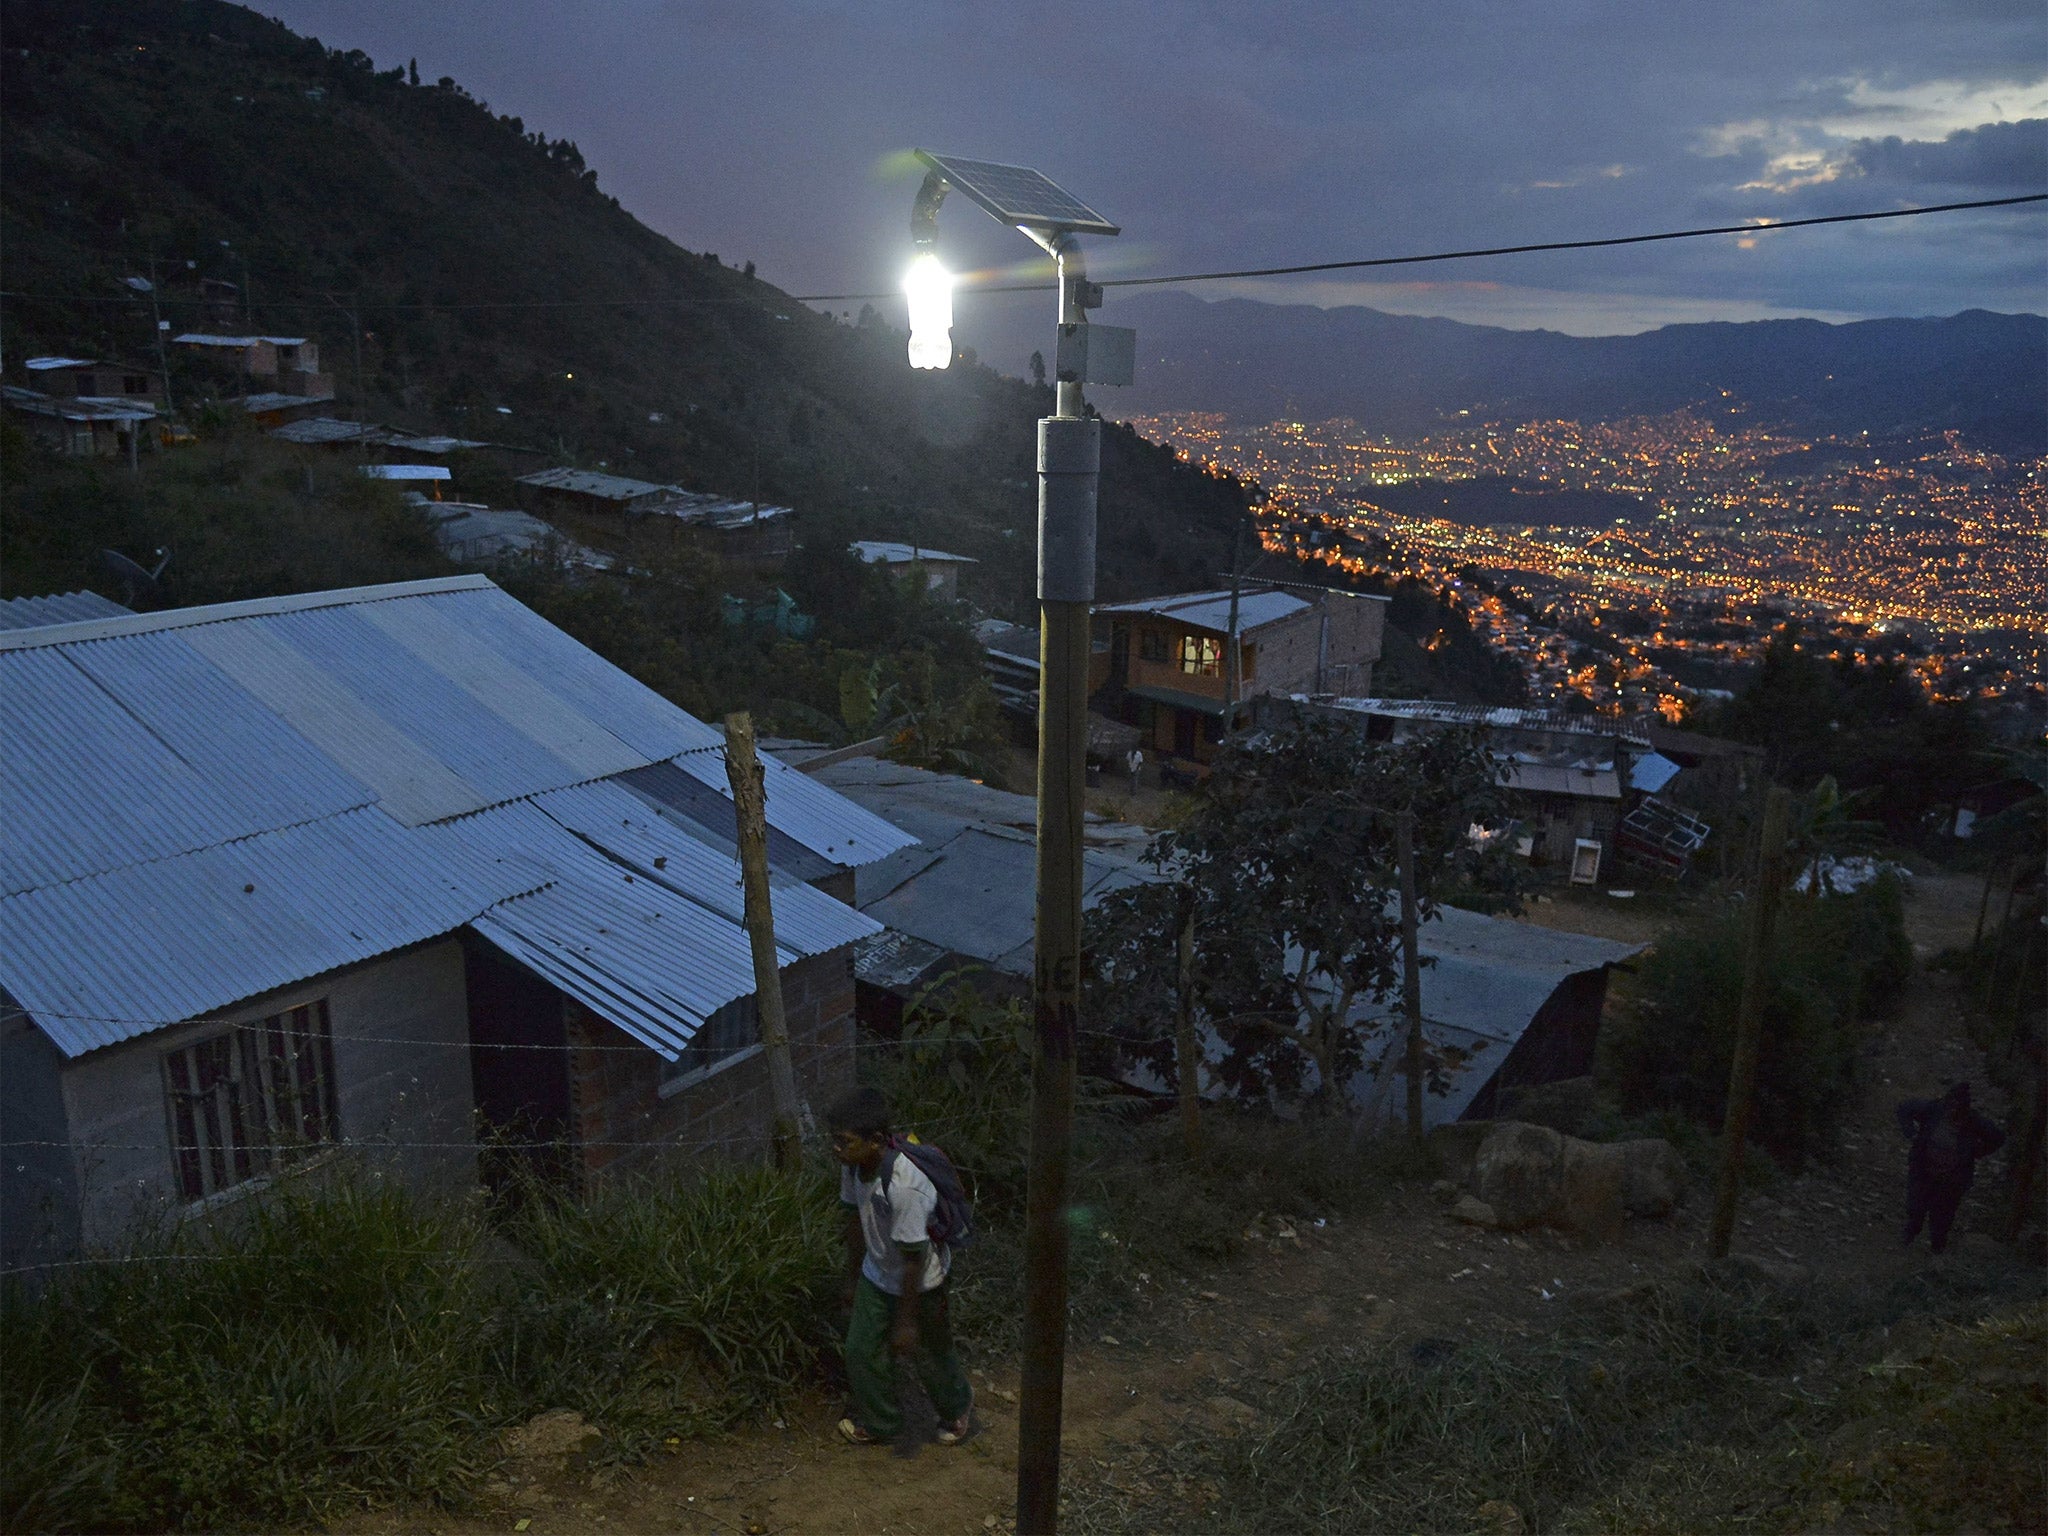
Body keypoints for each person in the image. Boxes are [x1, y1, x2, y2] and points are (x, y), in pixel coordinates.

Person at [827, 1085, 974, 1447]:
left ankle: (956, 1408)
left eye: (844, 1142)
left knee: (931, 1351)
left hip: (921, 1282)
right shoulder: (853, 1166)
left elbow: (913, 1259)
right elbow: (854, 1222)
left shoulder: (906, 1186)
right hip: (877, 1272)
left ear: (876, 1140)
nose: (837, 1149)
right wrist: (851, 1278)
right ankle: (882, 1423)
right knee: (861, 1349)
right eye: (835, 1141)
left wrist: (906, 1320)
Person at [1897, 1080, 2005, 1254]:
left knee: (1942, 1216)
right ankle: (1910, 1234)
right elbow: (1905, 1108)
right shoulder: (1934, 1110)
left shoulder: (1974, 1122)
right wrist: (1910, 1132)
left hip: (1952, 1179)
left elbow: (1998, 1137)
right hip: (1924, 1169)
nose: (1953, 1113)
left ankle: (1937, 1248)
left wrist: (1977, 1151)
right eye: (1951, 1107)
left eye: (1958, 1109)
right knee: (1916, 1206)